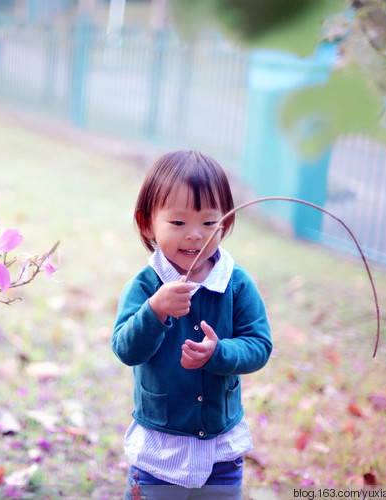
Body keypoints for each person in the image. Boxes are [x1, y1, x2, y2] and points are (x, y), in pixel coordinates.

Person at [112, 150, 273, 500]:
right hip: (160, 450)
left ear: (226, 224)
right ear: (146, 223)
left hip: (221, 451)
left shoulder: (236, 284)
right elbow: (125, 349)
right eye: (179, 223)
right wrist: (154, 311)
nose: (195, 236)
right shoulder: (145, 286)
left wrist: (220, 353)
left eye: (209, 223)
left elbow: (259, 346)